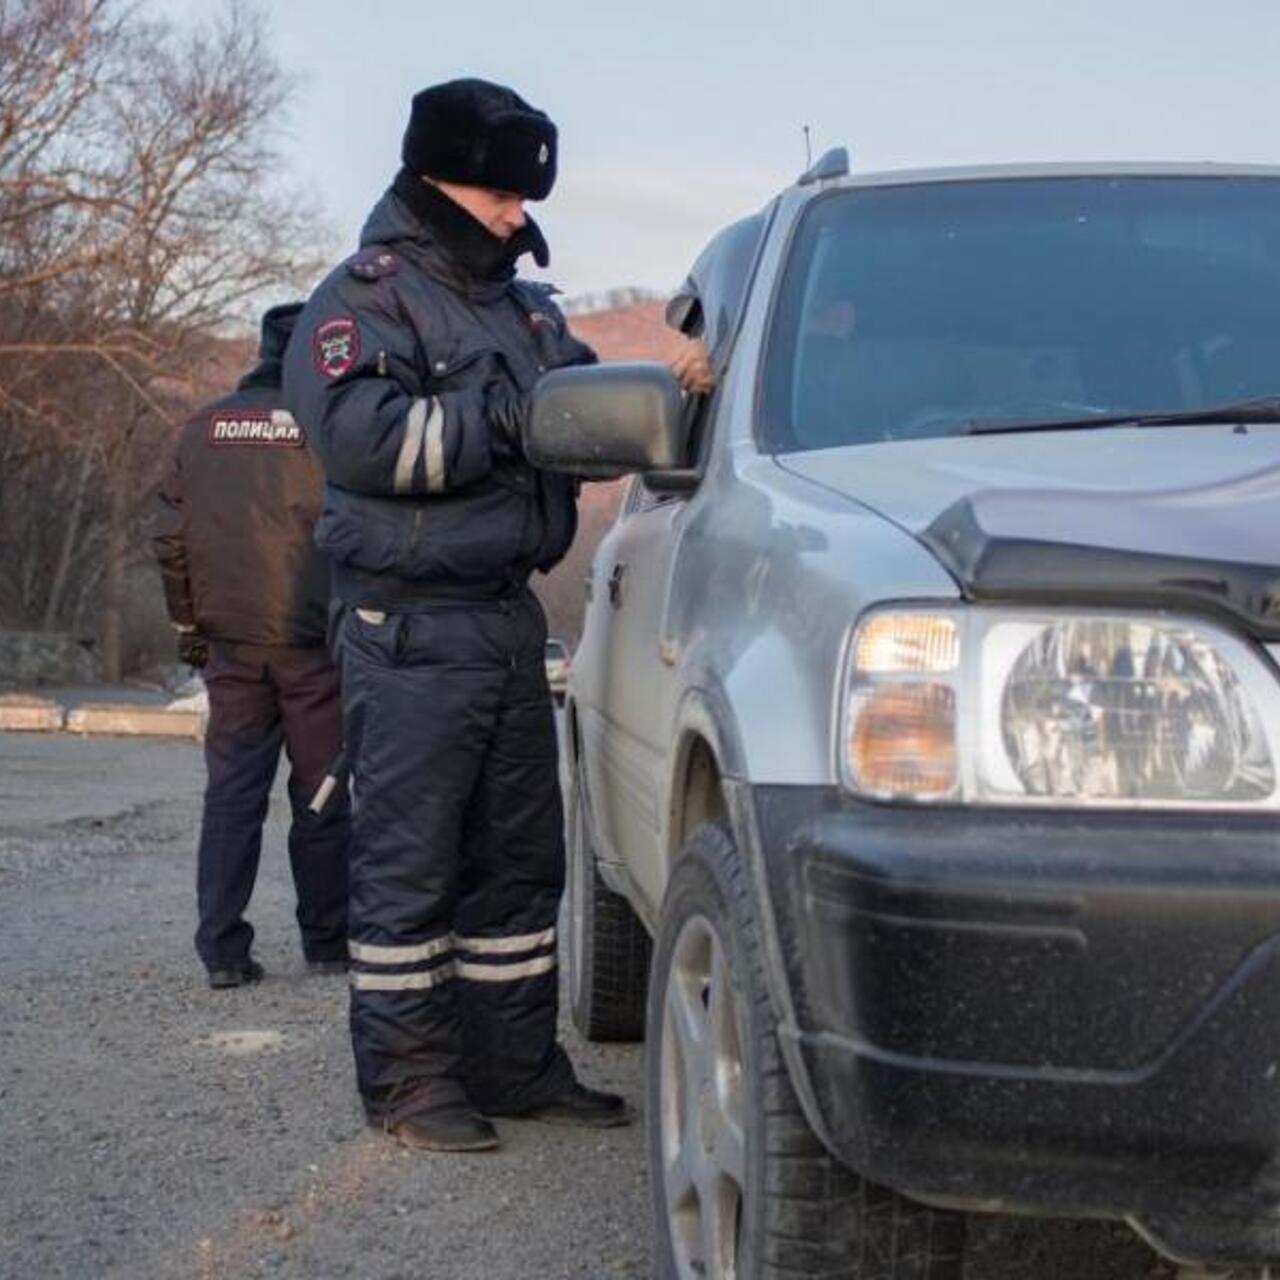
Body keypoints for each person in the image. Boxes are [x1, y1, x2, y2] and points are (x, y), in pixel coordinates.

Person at [287, 78, 673, 1153]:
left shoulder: (523, 306)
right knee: (411, 866)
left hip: (504, 621)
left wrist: (673, 379)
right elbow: (367, 443)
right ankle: (410, 1081)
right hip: (405, 627)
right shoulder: (364, 299)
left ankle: (514, 1064)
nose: (518, 213)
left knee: (517, 864)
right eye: (501, 193)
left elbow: (586, 409)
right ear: (439, 179)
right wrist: (510, 415)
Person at [153, 303, 350, 990]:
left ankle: (223, 952)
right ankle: (328, 942)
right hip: (314, 647)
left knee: (232, 795)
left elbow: (169, 537)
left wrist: (189, 624)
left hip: (230, 644)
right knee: (321, 793)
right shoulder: (329, 430)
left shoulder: (202, 429)